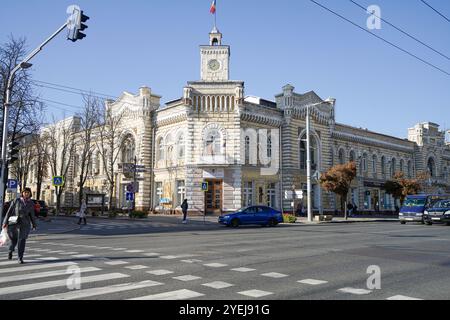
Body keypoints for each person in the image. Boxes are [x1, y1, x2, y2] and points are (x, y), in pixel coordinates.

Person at [2, 188, 37, 264]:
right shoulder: (16, 200)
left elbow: (32, 215)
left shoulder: (31, 203)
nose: (26, 194)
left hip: (25, 224)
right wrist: (5, 222)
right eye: (25, 192)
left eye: (28, 192)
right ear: (22, 193)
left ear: (30, 194)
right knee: (13, 239)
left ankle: (20, 258)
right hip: (14, 223)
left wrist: (34, 224)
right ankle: (10, 250)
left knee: (22, 240)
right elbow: (9, 211)